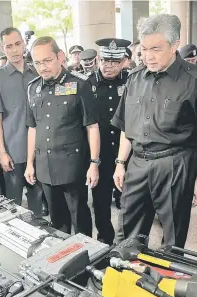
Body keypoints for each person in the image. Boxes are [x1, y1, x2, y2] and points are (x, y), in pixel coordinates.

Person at [112, 14, 197, 247]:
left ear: (175, 45)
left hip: (175, 165)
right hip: (137, 163)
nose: (148, 56)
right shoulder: (135, 78)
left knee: (172, 233)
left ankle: (166, 279)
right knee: (127, 229)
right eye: (144, 49)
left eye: (156, 49)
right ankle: (131, 277)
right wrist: (121, 163)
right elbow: (126, 127)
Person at [25, 37, 100, 236]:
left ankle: (87, 256)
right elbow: (32, 128)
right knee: (57, 220)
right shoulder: (33, 88)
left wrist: (94, 163)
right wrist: (30, 163)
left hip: (72, 165)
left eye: (47, 60)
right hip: (45, 166)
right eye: (37, 62)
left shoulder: (79, 85)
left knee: (79, 216)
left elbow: (92, 127)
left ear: (60, 57)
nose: (42, 67)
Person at [0, 27, 44, 217]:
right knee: (14, 205)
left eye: (18, 44)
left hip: (39, 150)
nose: (14, 50)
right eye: (9, 46)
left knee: (38, 203)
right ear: (3, 49)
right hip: (13, 151)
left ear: (24, 44)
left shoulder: (38, 72)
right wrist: (2, 152)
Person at [88, 38, 130, 244]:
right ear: (98, 59)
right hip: (100, 154)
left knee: (128, 200)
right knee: (101, 202)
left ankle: (128, 241)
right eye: (105, 60)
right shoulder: (88, 84)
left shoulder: (130, 81)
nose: (109, 66)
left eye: (115, 62)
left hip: (126, 154)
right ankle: (105, 239)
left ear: (123, 61)